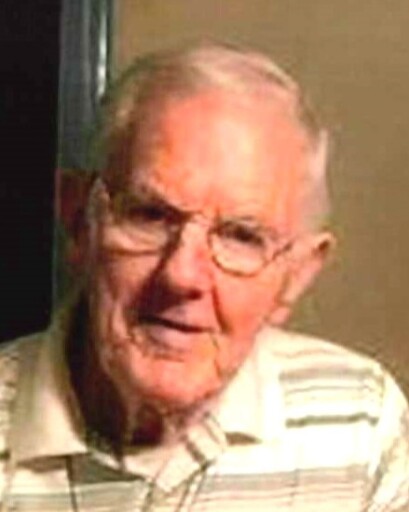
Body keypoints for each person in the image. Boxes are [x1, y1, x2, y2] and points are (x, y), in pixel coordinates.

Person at [0, 42, 408, 512]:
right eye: (150, 216)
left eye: (241, 236)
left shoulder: (361, 426)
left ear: (295, 276)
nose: (181, 276)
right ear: (78, 220)